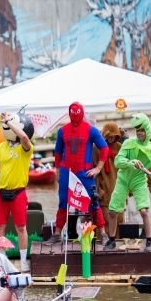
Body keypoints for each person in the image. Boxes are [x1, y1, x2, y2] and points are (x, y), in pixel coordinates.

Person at [103, 113, 151, 253]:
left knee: (144, 210)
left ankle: (149, 241)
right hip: (123, 180)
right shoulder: (128, 143)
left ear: (147, 131)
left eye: (142, 130)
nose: (140, 133)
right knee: (113, 211)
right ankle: (112, 240)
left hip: (139, 181)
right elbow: (118, 161)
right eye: (138, 130)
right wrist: (131, 163)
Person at [48, 102, 109, 244]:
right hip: (66, 172)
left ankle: (103, 233)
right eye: (72, 113)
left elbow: (104, 148)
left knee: (93, 201)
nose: (75, 116)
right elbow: (57, 152)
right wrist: (58, 171)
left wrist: (98, 168)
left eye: (77, 113)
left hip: (84, 172)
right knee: (63, 202)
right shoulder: (62, 131)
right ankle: (57, 234)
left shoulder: (91, 130)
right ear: (69, 114)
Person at [0, 111, 35, 272]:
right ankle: (1, 258)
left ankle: (23, 259)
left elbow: (25, 138)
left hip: (18, 193)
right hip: (1, 193)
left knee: (21, 227)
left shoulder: (25, 148)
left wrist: (8, 122)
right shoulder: (1, 147)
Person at [95, 122, 127, 244]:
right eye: (110, 136)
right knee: (103, 220)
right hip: (104, 191)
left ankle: (117, 245)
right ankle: (101, 247)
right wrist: (99, 190)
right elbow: (94, 171)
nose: (112, 139)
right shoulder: (96, 149)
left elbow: (126, 168)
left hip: (118, 188)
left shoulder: (119, 147)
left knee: (118, 220)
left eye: (115, 136)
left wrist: (127, 188)